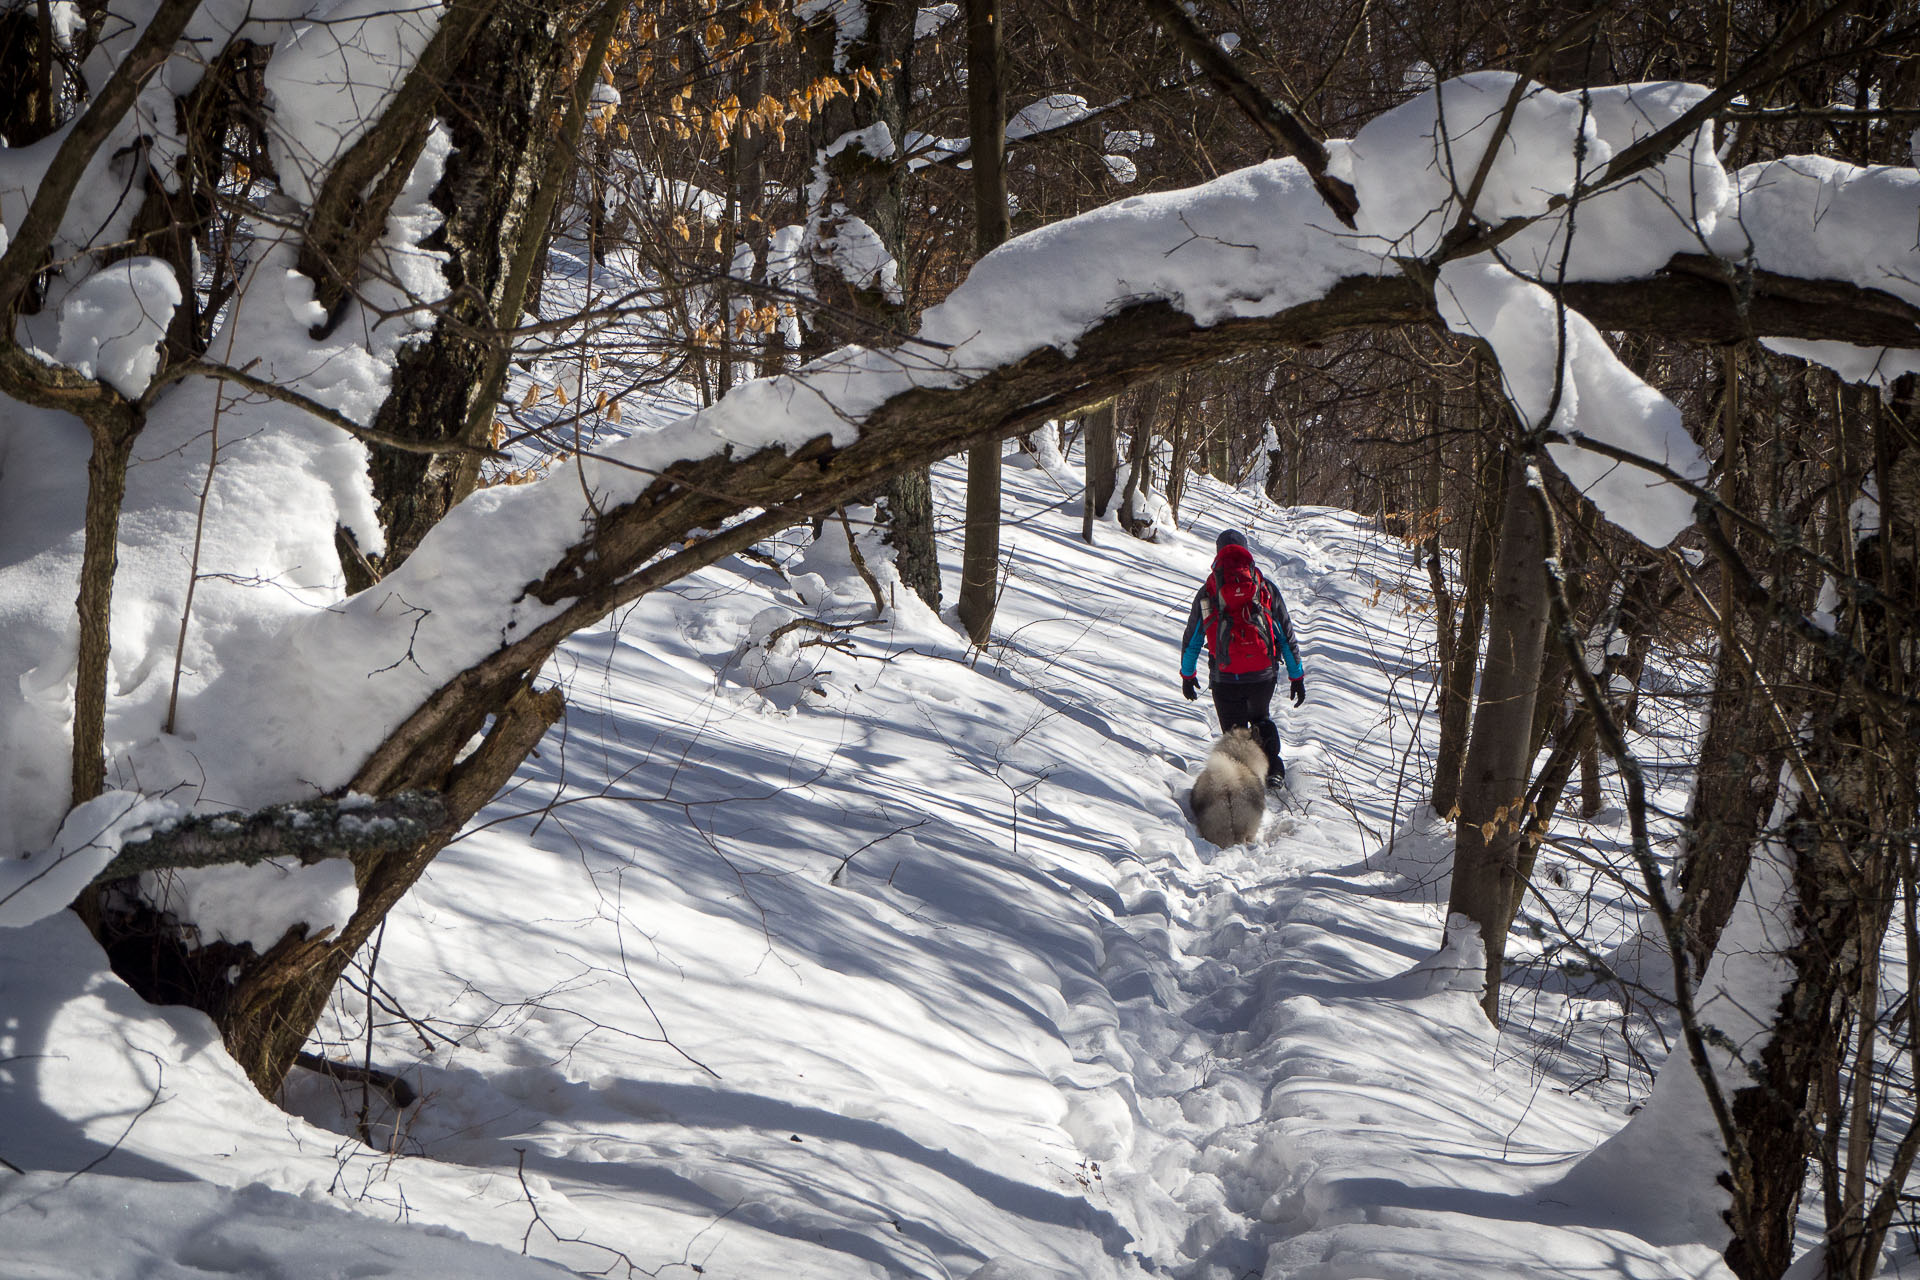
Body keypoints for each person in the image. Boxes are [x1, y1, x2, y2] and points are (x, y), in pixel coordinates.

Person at [1179, 529, 1304, 786]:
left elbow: (1193, 638)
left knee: (1234, 735)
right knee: (1260, 718)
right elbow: (1284, 635)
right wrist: (1296, 676)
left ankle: (1242, 784)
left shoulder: (1209, 592)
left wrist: (1187, 674)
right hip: (1262, 675)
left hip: (1225, 678)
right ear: (1247, 553)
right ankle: (1273, 770)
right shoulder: (1264, 588)